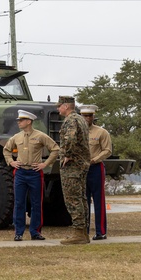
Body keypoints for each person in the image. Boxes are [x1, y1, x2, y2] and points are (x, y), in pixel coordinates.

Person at [3, 110, 59, 241]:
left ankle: (35, 232)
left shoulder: (40, 136)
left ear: (29, 121)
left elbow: (55, 149)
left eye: (21, 120)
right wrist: (11, 162)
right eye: (18, 120)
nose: (18, 122)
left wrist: (45, 164)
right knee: (19, 203)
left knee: (36, 203)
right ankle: (18, 232)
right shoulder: (16, 137)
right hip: (21, 172)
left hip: (35, 173)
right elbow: (6, 150)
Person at [58, 96, 91, 245]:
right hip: (82, 164)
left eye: (59, 106)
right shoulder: (81, 119)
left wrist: (67, 155)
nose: (58, 108)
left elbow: (70, 139)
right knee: (81, 197)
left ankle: (78, 233)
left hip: (73, 166)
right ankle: (83, 232)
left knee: (72, 198)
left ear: (66, 106)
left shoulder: (70, 120)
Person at [80, 104, 112, 240]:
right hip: (81, 169)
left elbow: (107, 150)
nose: (87, 118)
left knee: (98, 200)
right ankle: (83, 231)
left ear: (93, 117)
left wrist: (95, 159)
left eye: (90, 115)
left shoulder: (101, 132)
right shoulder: (76, 132)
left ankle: (101, 232)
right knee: (83, 201)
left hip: (95, 168)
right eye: (85, 115)